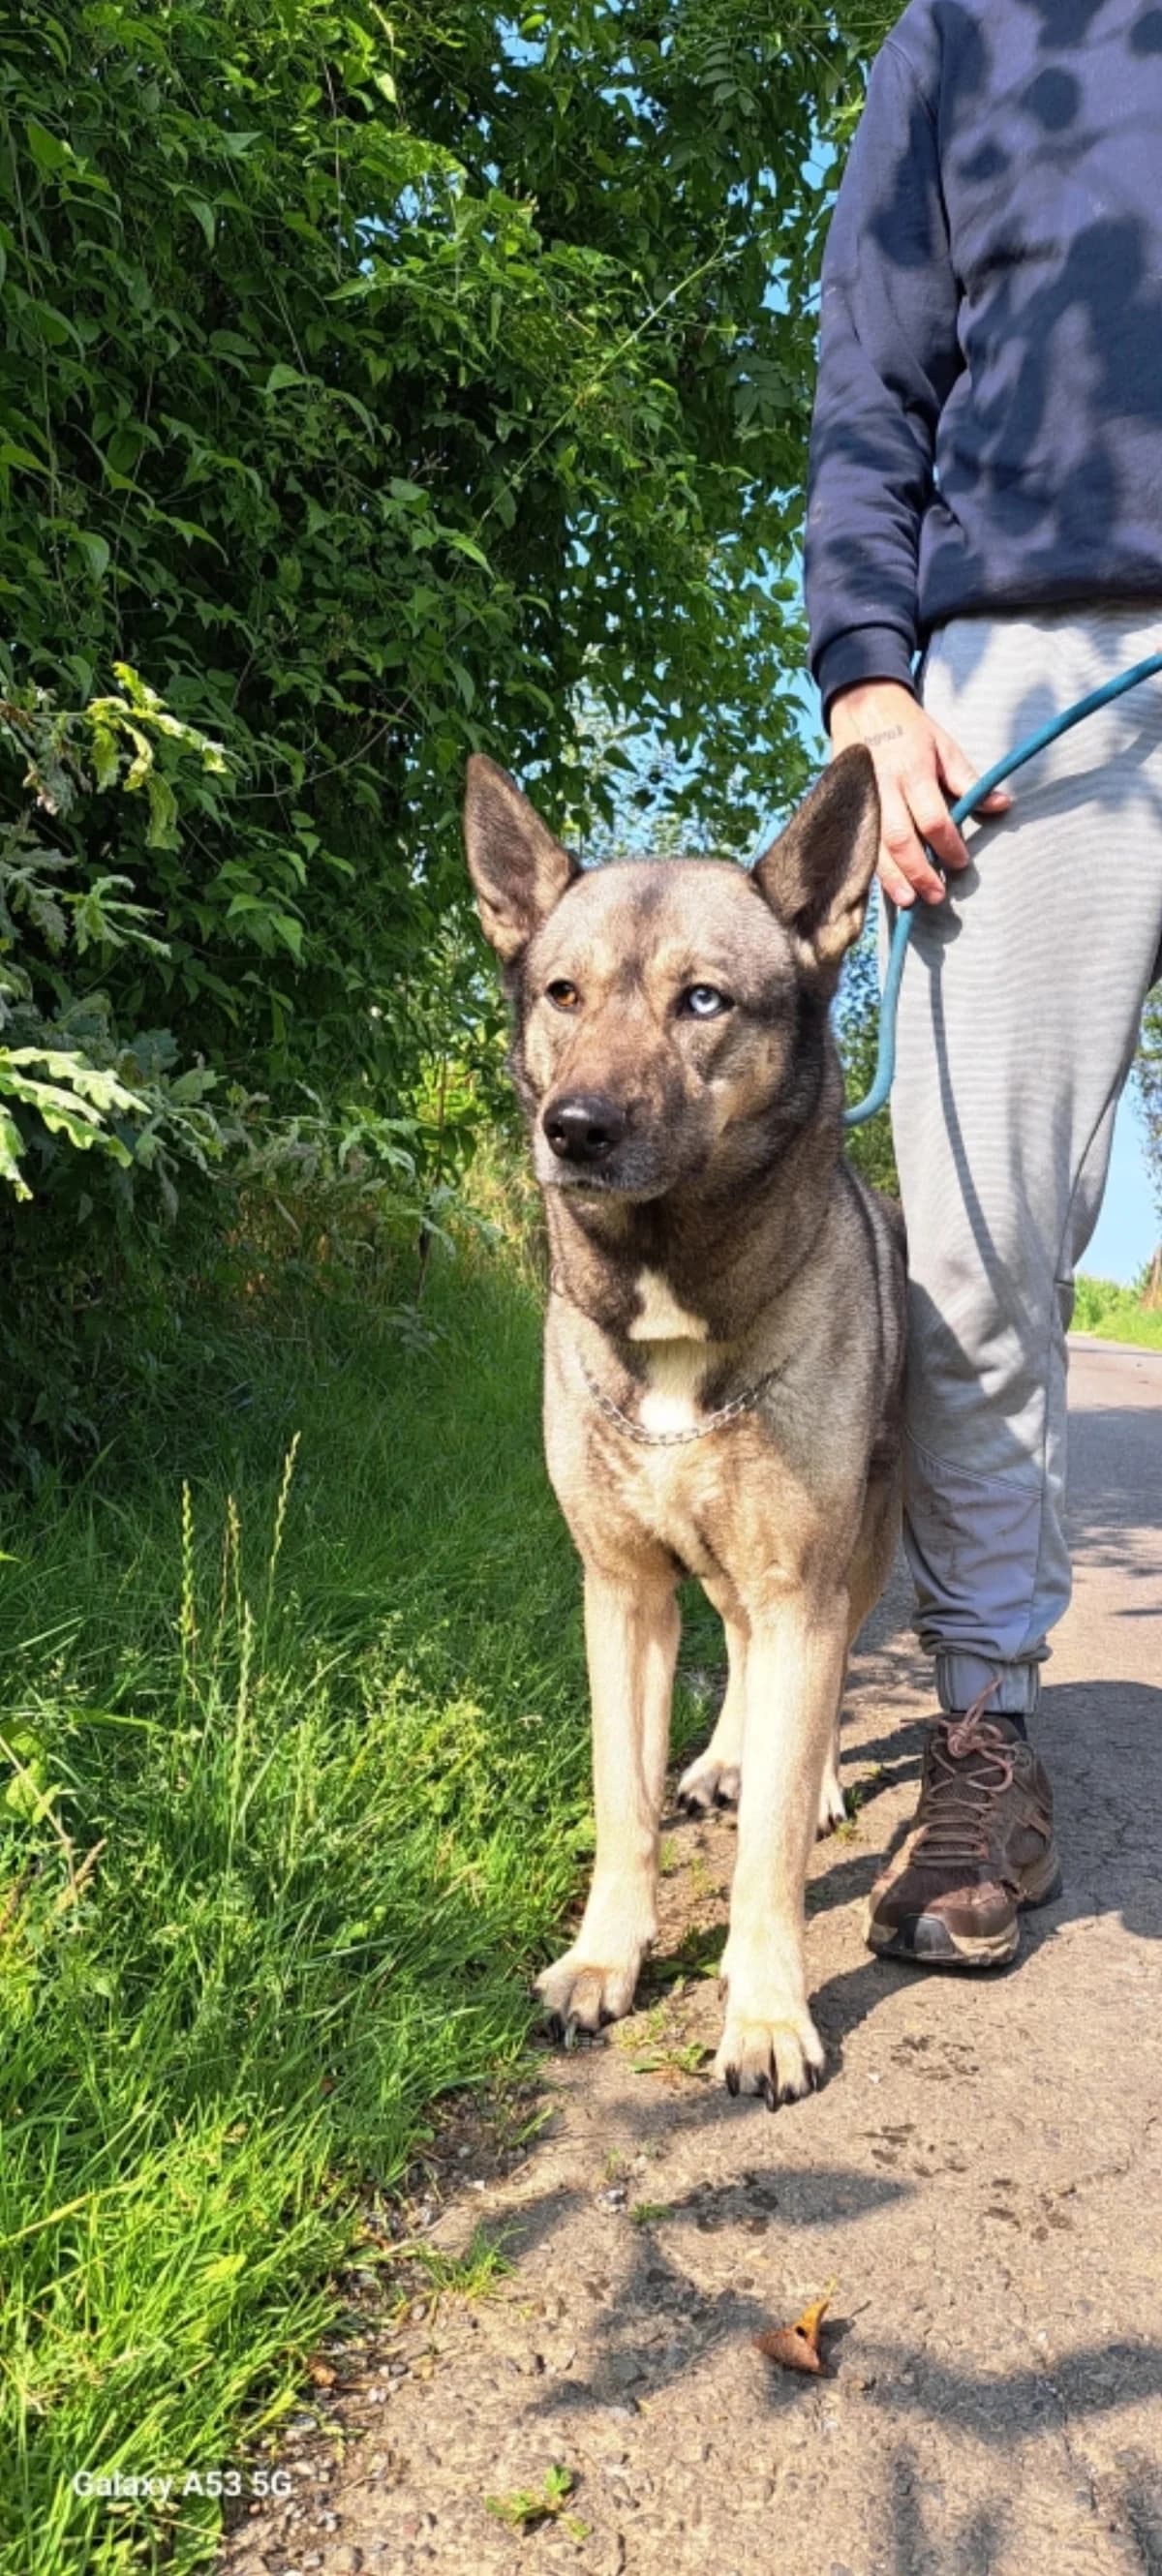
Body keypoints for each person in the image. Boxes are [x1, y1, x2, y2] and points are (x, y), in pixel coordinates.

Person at [805, 0, 1162, 1967]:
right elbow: (877, 366)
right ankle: (983, 1726)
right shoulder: (964, 29)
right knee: (972, 1240)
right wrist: (872, 675)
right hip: (1024, 663)